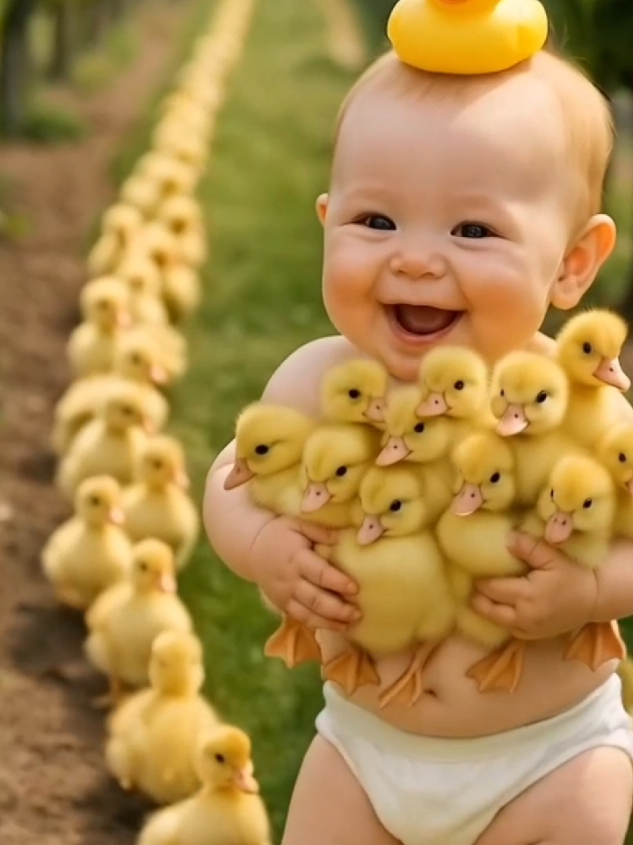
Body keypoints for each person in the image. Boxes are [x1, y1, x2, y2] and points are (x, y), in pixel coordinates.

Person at [203, 4, 633, 843]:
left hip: (547, 764)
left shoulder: (575, 407)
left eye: (472, 229)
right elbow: (230, 478)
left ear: (572, 263)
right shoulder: (315, 380)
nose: (414, 256)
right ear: (326, 223)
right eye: (376, 221)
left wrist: (587, 591)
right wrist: (261, 546)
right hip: (362, 753)